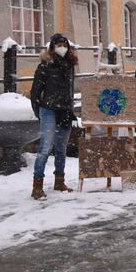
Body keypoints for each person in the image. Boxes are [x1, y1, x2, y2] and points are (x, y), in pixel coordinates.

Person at [30, 33, 78, 200]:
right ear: (52, 47)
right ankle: (37, 186)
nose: (62, 48)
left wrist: (69, 109)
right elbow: (35, 92)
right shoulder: (45, 67)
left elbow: (70, 90)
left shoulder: (69, 65)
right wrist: (40, 113)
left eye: (64, 45)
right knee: (45, 147)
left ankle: (59, 181)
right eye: (58, 45)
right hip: (48, 110)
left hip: (65, 111)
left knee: (61, 148)